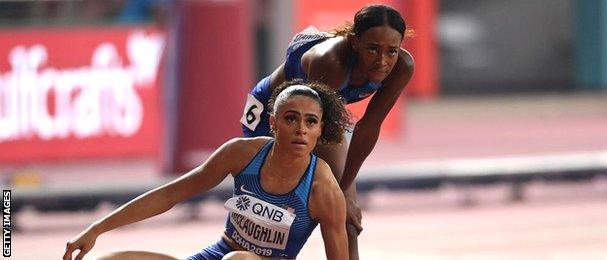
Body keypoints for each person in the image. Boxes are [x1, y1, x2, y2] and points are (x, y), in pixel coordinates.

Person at [63, 81, 352, 260]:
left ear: (320, 130)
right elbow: (171, 194)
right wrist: (97, 228)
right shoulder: (241, 154)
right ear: (274, 123)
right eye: (291, 119)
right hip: (217, 254)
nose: (301, 129)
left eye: (311, 122)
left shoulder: (322, 189)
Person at [239, 4, 414, 259]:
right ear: (354, 42)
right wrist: (344, 192)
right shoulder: (332, 61)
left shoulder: (402, 67)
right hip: (271, 116)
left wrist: (345, 189)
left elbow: (368, 126)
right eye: (373, 49)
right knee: (273, 207)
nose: (382, 61)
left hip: (317, 119)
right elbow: (321, 131)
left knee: (341, 208)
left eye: (391, 51)